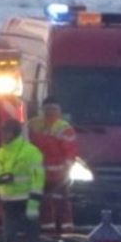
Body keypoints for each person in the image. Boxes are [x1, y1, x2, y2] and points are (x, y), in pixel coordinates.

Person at [28, 96, 78, 234]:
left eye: (53, 109)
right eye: (48, 109)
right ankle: (54, 231)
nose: (51, 112)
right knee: (50, 203)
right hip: (46, 174)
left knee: (57, 203)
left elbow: (70, 152)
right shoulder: (33, 125)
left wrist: (65, 170)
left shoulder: (62, 128)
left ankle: (62, 231)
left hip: (53, 174)